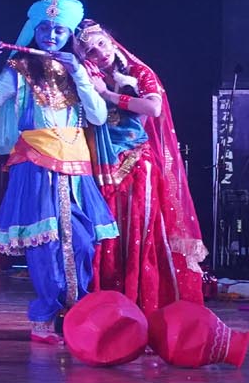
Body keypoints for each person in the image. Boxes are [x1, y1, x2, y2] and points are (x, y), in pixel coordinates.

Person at [0, 0, 117, 340]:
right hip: (35, 164)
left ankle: (77, 314)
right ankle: (45, 317)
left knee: (82, 242)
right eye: (45, 28)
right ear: (34, 30)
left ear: (69, 35)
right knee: (45, 244)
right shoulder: (19, 70)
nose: (51, 35)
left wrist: (79, 75)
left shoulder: (78, 70)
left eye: (59, 30)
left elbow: (98, 116)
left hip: (75, 166)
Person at [73, 20, 205, 314]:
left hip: (136, 165)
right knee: (105, 236)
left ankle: (141, 306)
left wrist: (107, 95)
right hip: (101, 165)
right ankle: (106, 309)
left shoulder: (138, 72)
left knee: (137, 233)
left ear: (111, 40)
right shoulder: (85, 74)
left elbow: (153, 108)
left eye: (102, 44)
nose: (100, 53)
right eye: (91, 51)